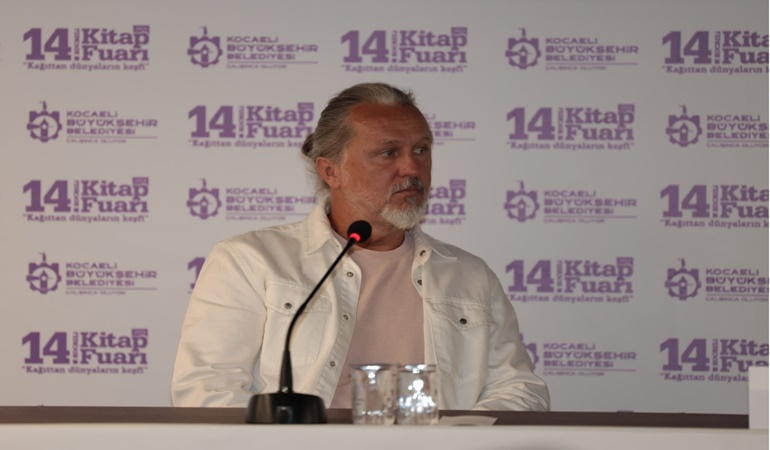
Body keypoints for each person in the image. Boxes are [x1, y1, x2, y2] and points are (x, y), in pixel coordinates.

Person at [171, 82, 550, 411]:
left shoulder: (468, 275)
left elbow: (518, 389)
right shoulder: (251, 261)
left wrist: (458, 441)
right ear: (330, 170)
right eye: (388, 153)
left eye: (421, 150)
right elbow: (207, 391)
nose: (412, 168)